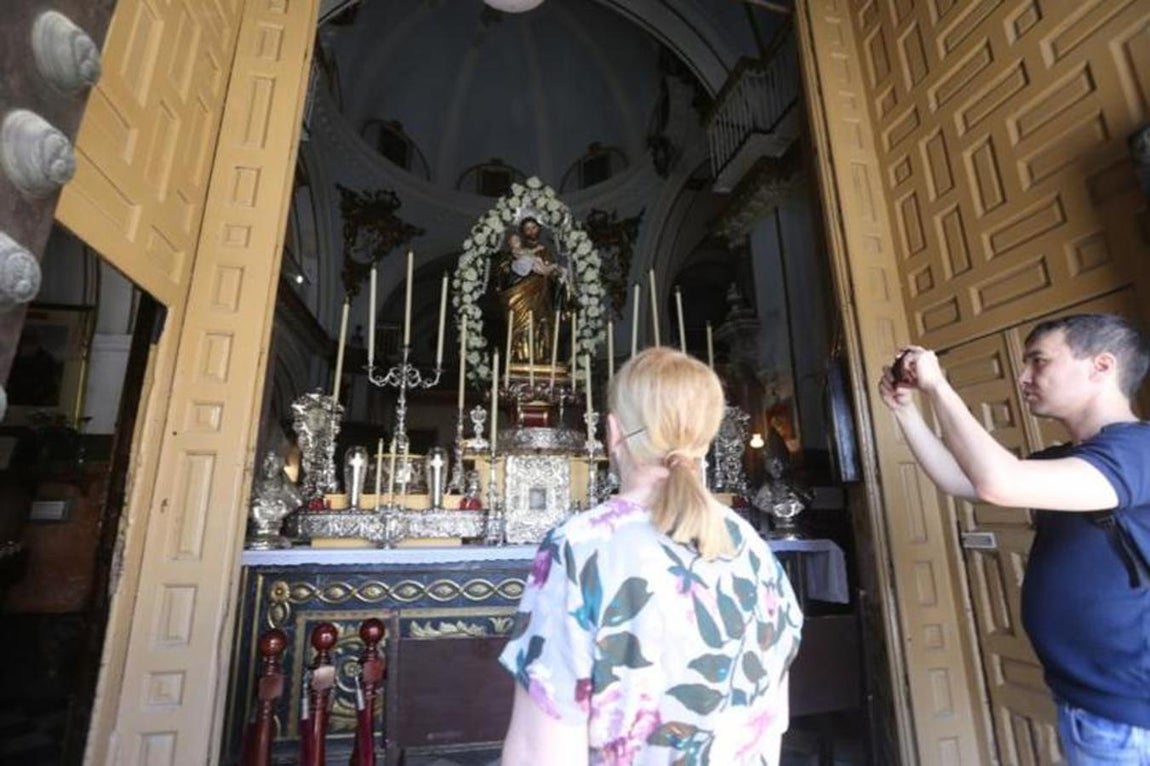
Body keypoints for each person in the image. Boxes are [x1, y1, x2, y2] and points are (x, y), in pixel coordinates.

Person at [499, 347, 803, 765]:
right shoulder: (752, 547)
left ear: (614, 432)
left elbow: (541, 752)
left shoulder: (580, 549)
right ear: (707, 435)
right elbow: (771, 724)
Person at [877, 313, 1150, 764]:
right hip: (1093, 702)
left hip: (1128, 716)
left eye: (1038, 361)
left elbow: (998, 482)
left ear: (1101, 366)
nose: (1023, 377)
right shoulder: (1072, 458)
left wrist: (940, 388)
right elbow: (960, 480)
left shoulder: (1138, 450)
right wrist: (906, 411)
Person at [497, 216, 566, 365]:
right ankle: (522, 357)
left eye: (533, 227)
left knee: (543, 323)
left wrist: (555, 272)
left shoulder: (546, 250)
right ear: (522, 232)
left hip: (543, 292)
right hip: (522, 293)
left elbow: (553, 273)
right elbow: (505, 271)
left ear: (539, 229)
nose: (531, 231)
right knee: (524, 324)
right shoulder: (515, 251)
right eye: (527, 228)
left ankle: (544, 357)